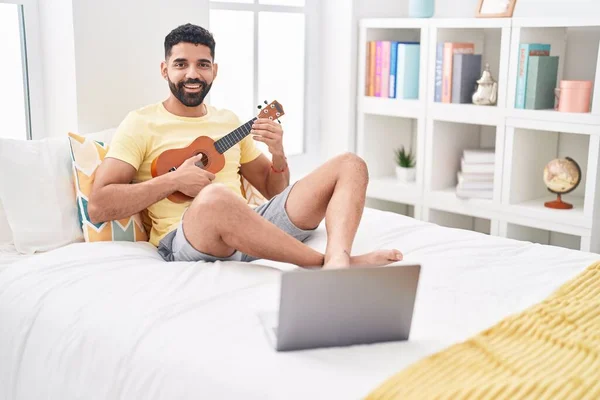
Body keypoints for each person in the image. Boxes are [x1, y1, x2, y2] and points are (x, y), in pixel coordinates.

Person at [88, 23, 402, 269]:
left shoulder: (228, 121)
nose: (193, 74)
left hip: (251, 231)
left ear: (215, 70)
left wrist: (277, 153)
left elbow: (272, 191)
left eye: (203, 64)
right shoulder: (140, 123)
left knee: (350, 163)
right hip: (188, 238)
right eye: (181, 64)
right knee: (216, 198)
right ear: (164, 69)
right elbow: (99, 205)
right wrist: (173, 180)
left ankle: (338, 257)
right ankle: (322, 263)